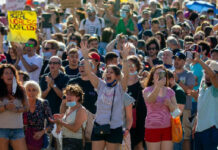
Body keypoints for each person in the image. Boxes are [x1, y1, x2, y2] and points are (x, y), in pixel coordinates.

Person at [80, 41, 131, 150]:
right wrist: (85, 57)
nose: (108, 74)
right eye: (107, 72)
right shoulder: (101, 85)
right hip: (99, 126)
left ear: (117, 76)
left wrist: (125, 58)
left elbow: (126, 75)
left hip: (115, 128)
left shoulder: (120, 88)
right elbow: (89, 73)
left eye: (111, 72)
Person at [143, 65, 178, 150]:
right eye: (157, 73)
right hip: (152, 128)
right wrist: (158, 86)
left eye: (162, 73)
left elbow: (176, 112)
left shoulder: (170, 91)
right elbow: (150, 100)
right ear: (152, 76)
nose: (159, 75)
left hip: (167, 128)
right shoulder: (147, 90)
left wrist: (169, 104)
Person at [50, 84, 87, 150]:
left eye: (71, 95)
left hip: (75, 142)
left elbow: (75, 128)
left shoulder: (81, 110)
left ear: (78, 97)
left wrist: (61, 122)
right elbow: (61, 128)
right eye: (67, 94)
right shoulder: (68, 109)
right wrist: (58, 121)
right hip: (65, 141)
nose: (68, 97)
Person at [192, 56, 218, 150]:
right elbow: (201, 106)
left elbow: (213, 76)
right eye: (205, 72)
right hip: (199, 130)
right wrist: (196, 123)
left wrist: (199, 60)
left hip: (211, 130)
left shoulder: (216, 85)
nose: (206, 75)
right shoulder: (203, 84)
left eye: (208, 72)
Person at [0, 64, 28, 150]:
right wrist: (5, 107)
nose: (9, 75)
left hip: (17, 129)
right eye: (6, 73)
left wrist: (16, 109)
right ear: (1, 76)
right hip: (1, 129)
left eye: (11, 73)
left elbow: (26, 107)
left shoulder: (21, 89)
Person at [173, 52, 195, 150]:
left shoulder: (189, 74)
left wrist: (178, 81)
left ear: (184, 61)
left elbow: (189, 91)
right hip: (171, 108)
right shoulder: (170, 72)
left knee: (186, 136)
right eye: (175, 59)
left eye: (179, 59)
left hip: (185, 108)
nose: (176, 61)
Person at [23, 80, 53, 150]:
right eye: (29, 90)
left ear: (38, 91)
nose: (31, 92)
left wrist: (42, 132)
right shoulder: (22, 103)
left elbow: (51, 123)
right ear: (25, 92)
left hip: (39, 137)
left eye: (34, 90)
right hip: (22, 138)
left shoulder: (43, 103)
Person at [127, 55, 147, 150]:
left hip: (141, 118)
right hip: (126, 118)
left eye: (133, 64)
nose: (130, 67)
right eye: (128, 65)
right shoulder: (121, 83)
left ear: (137, 66)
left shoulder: (143, 82)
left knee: (139, 145)